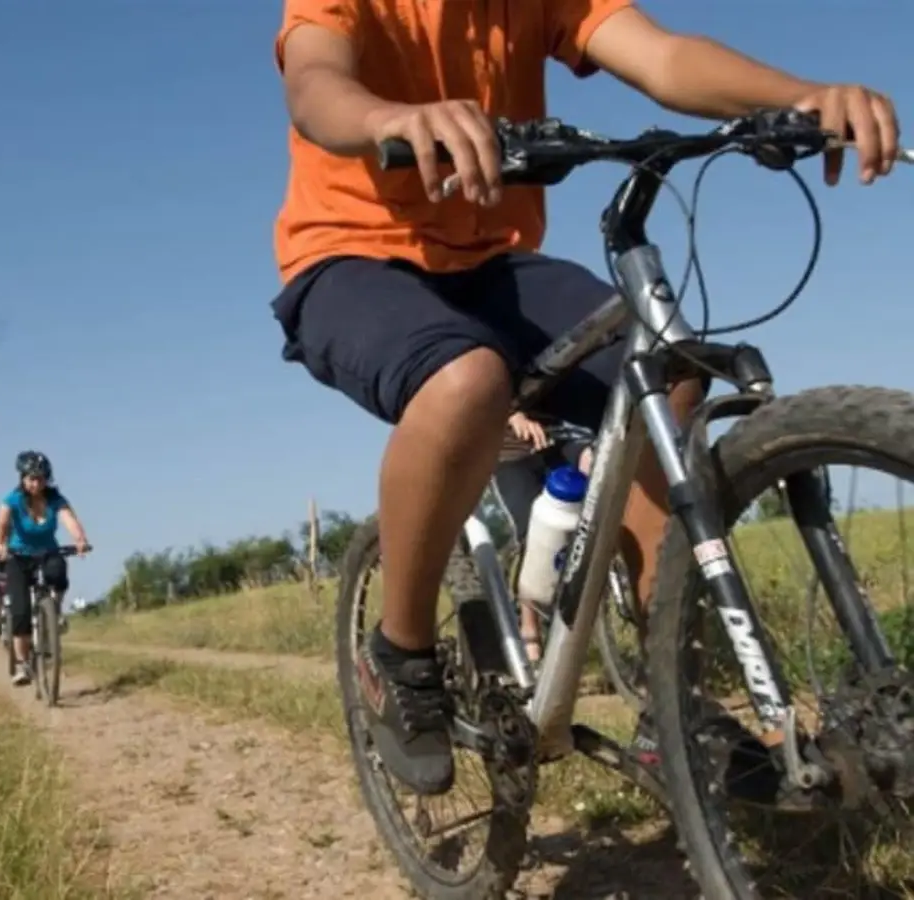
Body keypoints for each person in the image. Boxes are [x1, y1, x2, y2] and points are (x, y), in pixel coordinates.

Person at [269, 0, 900, 796]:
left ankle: (673, 702)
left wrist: (803, 96)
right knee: (468, 379)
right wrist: (394, 117)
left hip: (492, 265)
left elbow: (663, 59)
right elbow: (316, 85)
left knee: (669, 365)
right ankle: (402, 654)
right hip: (348, 259)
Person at [493, 412, 594, 664]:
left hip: (555, 441)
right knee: (532, 536)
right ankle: (530, 630)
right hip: (510, 455)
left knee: (595, 465)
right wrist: (513, 415)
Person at [0, 450, 92, 686]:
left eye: (41, 478)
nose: (37, 483)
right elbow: (1, 525)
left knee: (58, 572)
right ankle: (24, 664)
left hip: (47, 552)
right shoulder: (11, 500)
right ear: (23, 479)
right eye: (32, 478)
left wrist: (80, 540)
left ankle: (53, 612)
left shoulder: (56, 499)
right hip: (18, 556)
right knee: (20, 612)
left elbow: (69, 519)